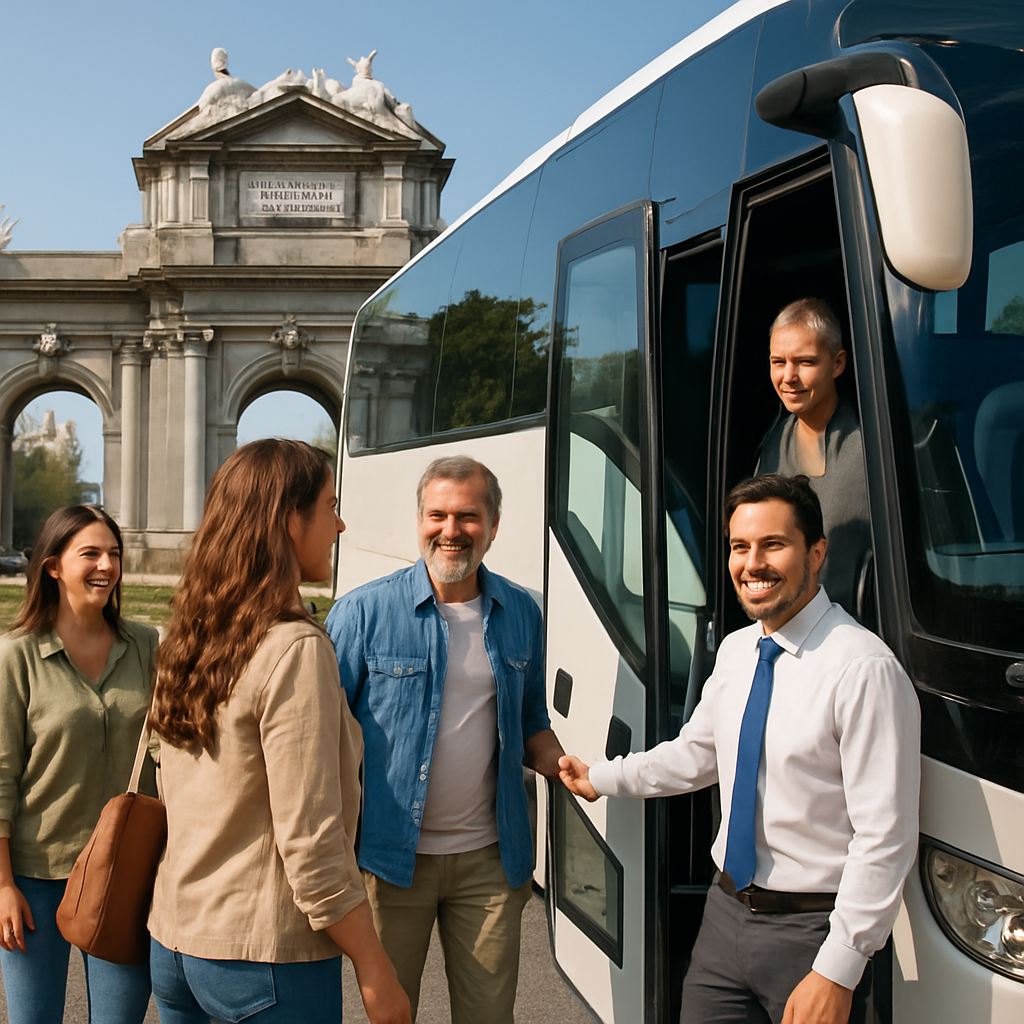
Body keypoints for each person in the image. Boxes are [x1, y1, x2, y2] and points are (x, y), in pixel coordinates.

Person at [559, 474, 920, 1024]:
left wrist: (838, 968)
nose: (753, 564)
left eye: (773, 545)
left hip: (813, 932)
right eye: (739, 547)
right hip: (724, 916)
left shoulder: (863, 670)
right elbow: (697, 754)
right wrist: (603, 778)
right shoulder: (738, 650)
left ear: (816, 553)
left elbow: (885, 837)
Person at [146, 439, 410, 1024]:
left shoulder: (192, 635)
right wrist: (374, 966)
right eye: (329, 505)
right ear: (291, 520)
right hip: (262, 954)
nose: (339, 524)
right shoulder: (292, 650)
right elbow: (311, 842)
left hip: (175, 939)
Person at [326, 455, 564, 1024]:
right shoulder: (362, 613)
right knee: (388, 1015)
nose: (451, 531)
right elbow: (322, 738)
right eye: (438, 515)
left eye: (468, 516)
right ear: (419, 520)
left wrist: (563, 765)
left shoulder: (521, 612)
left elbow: (531, 721)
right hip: (387, 861)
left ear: (493, 525)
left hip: (489, 862)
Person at [0, 505, 156, 1024]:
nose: (106, 566)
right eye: (90, 553)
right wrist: (2, 886)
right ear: (52, 566)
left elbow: (172, 752)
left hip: (126, 873)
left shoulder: (147, 645)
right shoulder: (14, 657)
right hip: (34, 877)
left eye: (114, 554)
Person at [757, 298, 871, 615]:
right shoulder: (773, 446)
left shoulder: (873, 444)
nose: (788, 377)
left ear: (838, 363)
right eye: (778, 362)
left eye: (805, 362)